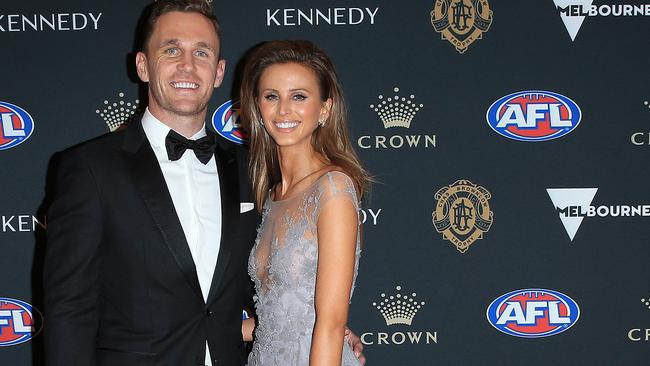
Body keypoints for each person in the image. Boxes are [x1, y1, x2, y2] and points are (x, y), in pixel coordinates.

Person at [43, 1, 364, 366]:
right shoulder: (89, 168)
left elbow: (255, 290)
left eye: (201, 52)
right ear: (143, 65)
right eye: (171, 49)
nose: (187, 65)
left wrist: (316, 332)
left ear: (217, 71)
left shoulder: (250, 172)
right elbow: (68, 309)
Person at [240, 40, 371, 366]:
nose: (283, 110)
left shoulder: (333, 189)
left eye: (298, 96)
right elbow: (276, 320)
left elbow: (330, 325)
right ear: (258, 106)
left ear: (324, 109)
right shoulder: (272, 196)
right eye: (272, 96)